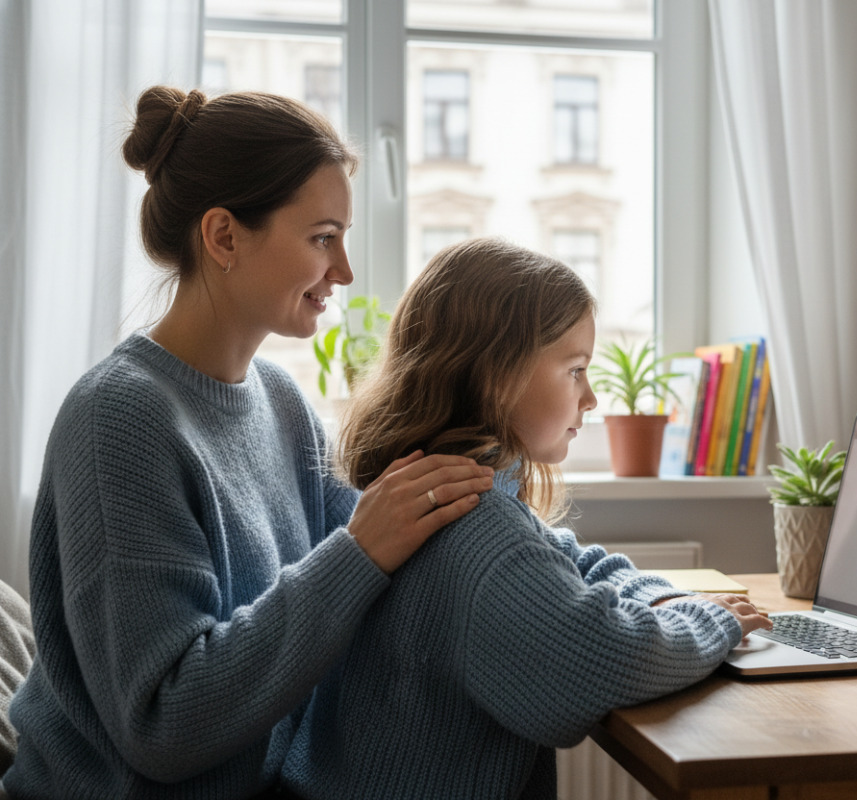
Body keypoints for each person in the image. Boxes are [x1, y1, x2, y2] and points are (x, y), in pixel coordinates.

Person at [2, 86, 493, 799]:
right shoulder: (120, 421)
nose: (345, 272)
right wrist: (358, 552)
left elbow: (402, 553)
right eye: (323, 238)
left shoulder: (281, 401)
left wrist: (612, 593)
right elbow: (163, 726)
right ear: (224, 236)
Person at [280, 237, 772, 799]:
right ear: (498, 376)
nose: (590, 398)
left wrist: (660, 596)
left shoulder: (430, 491)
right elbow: (602, 659)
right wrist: (712, 624)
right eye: (576, 370)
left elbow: (568, 559)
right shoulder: (479, 529)